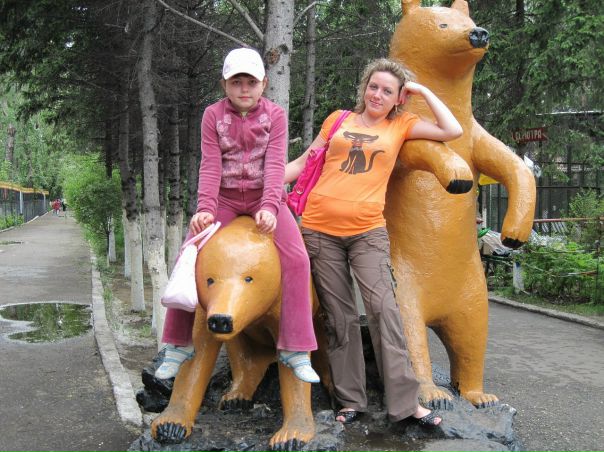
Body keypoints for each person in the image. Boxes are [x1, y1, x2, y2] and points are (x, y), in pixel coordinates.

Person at [285, 58, 463, 427]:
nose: (377, 95)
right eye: (373, 86)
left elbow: (452, 129)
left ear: (399, 98)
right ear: (365, 87)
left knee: (384, 311)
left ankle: (407, 404)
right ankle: (351, 401)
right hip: (318, 231)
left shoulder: (402, 124)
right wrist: (259, 183)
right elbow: (303, 162)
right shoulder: (338, 120)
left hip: (368, 233)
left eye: (387, 90)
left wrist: (421, 90)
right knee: (339, 318)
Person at [155, 48, 319, 384]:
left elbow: (275, 165)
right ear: (225, 85)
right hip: (225, 199)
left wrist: (270, 206)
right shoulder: (213, 115)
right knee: (188, 253)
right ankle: (177, 344)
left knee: (298, 259)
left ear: (264, 84)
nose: (244, 89)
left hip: (264, 197)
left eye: (251, 82)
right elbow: (210, 165)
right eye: (236, 82)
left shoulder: (275, 115)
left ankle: (296, 348)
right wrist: (204, 208)